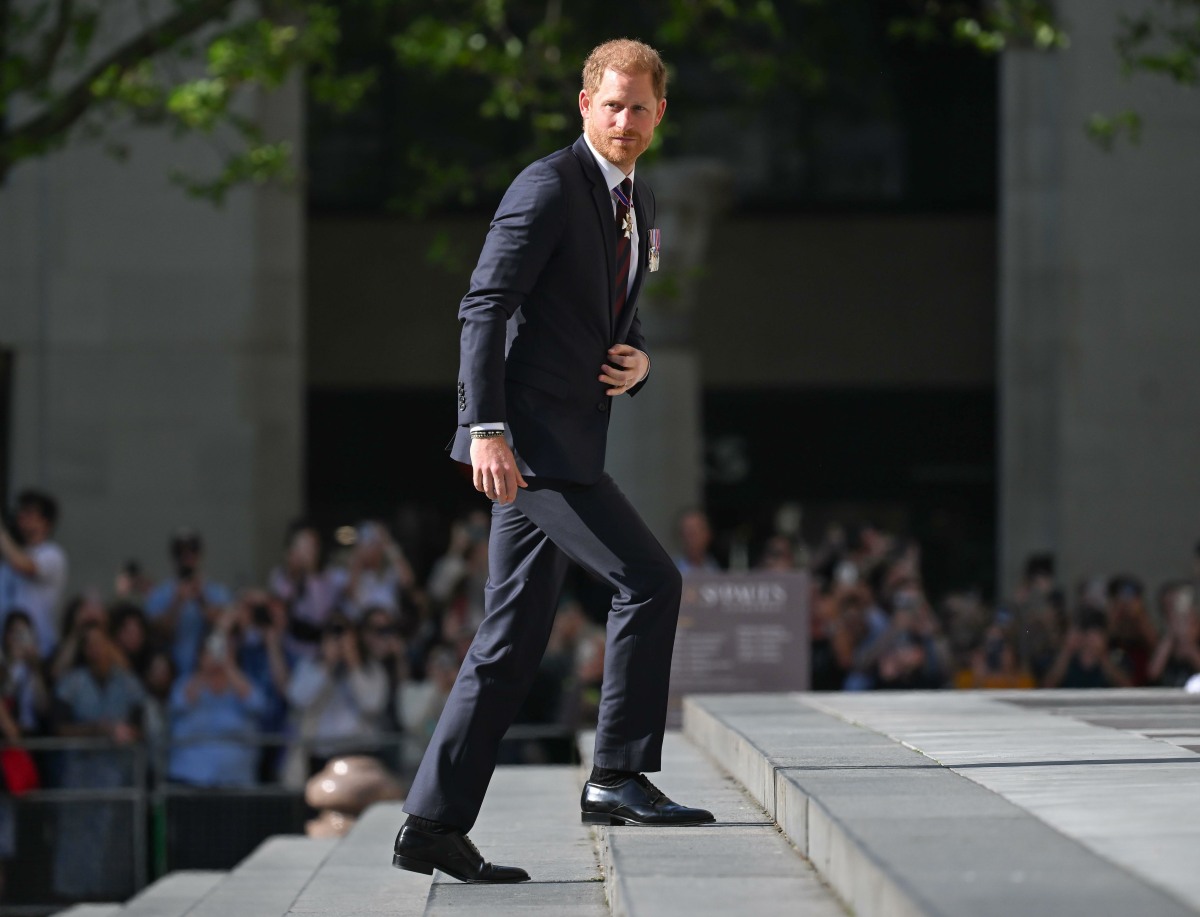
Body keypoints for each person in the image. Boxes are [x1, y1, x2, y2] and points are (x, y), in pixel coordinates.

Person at [393, 38, 712, 886]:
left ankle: (430, 823)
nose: (625, 120)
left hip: (568, 440)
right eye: (611, 105)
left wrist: (638, 360)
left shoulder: (636, 204)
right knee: (650, 579)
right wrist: (486, 428)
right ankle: (616, 775)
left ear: (659, 112)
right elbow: (484, 308)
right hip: (531, 449)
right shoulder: (546, 186)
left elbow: (610, 314)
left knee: (511, 640)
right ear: (584, 105)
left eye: (640, 107)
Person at [166, 628, 266, 787]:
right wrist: (205, 671)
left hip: (235, 778)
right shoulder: (184, 684)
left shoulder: (244, 684)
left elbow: (257, 705)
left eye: (223, 651)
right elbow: (180, 704)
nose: (217, 657)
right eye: (210, 652)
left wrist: (229, 667)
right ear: (200, 655)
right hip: (190, 776)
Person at [145, 530, 232, 676]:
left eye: (193, 549)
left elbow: (227, 627)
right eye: (180, 552)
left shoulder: (218, 592)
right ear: (174, 556)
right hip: (173, 675)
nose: (187, 556)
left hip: (211, 676)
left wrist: (202, 600)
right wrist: (177, 602)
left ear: (200, 554)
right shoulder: (158, 595)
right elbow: (157, 635)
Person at [0, 489, 67, 658]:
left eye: (29, 513)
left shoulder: (52, 555)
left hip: (40, 649)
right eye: (21, 511)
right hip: (7, 649)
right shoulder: (9, 559)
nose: (21, 516)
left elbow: (24, 566)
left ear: (46, 523)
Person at [674, 508, 721, 574]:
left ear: (707, 535)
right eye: (687, 533)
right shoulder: (671, 570)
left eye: (695, 533)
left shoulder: (716, 570)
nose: (691, 539)